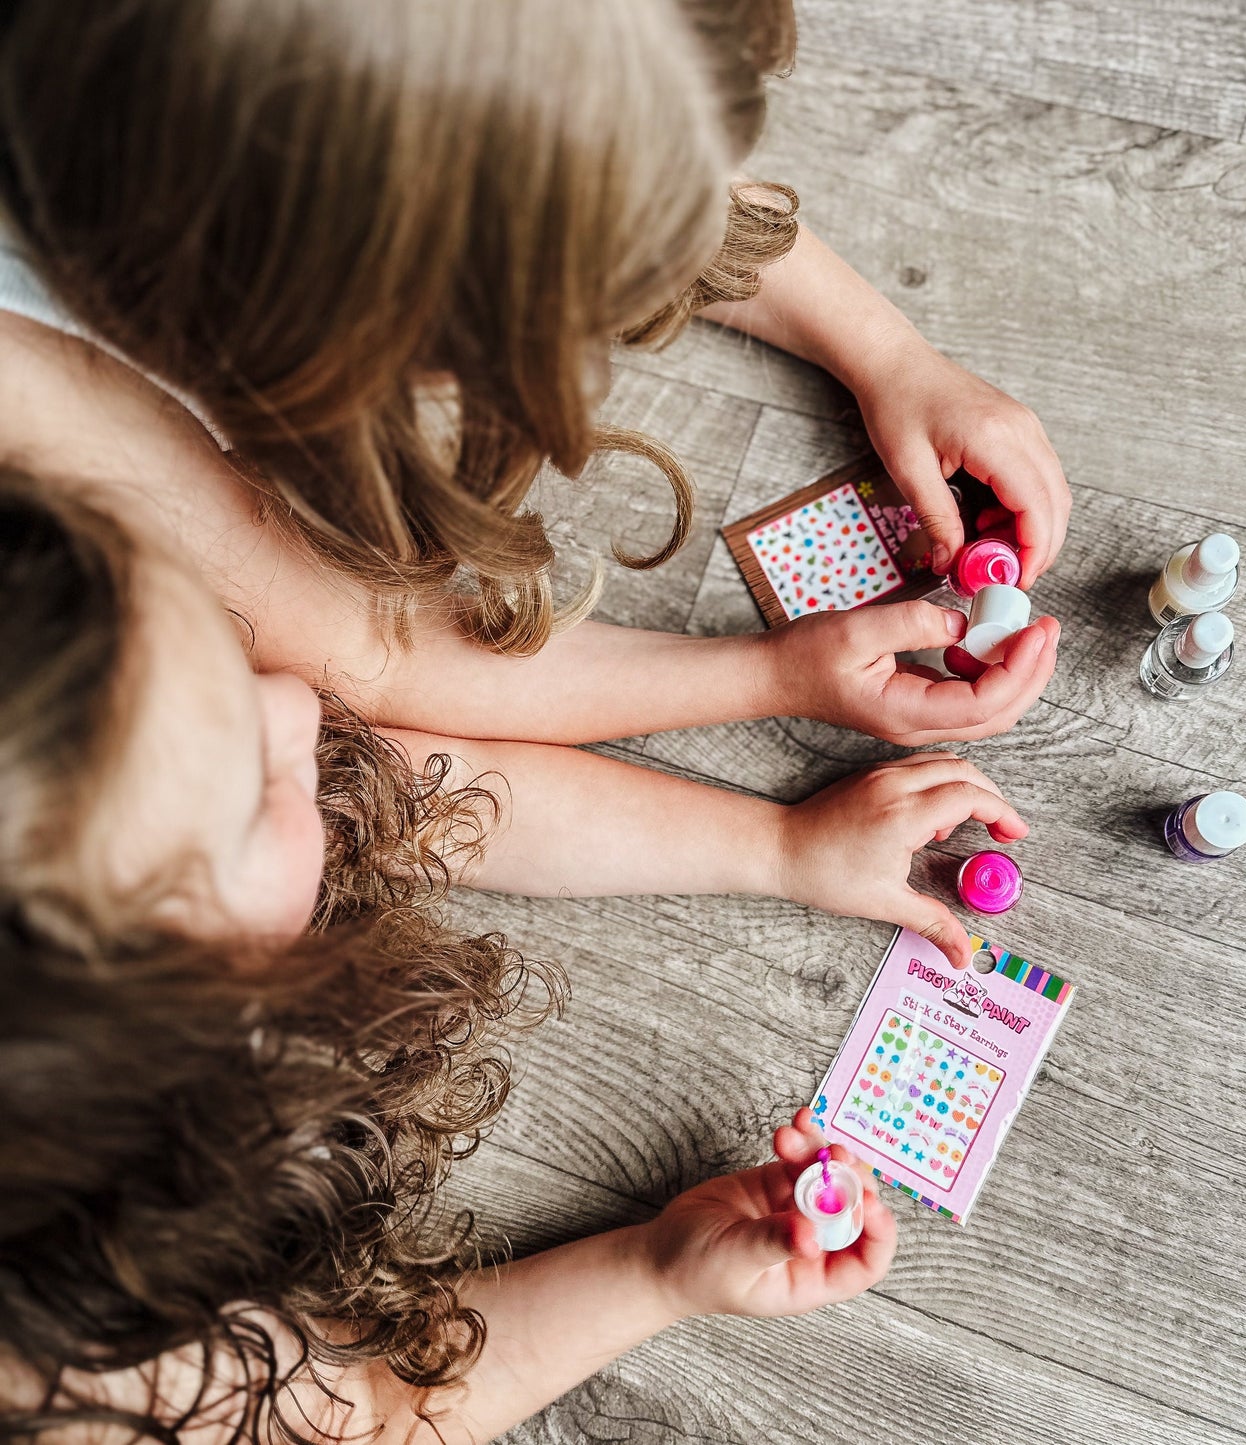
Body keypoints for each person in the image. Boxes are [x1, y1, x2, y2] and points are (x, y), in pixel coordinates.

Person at [0, 472, 1040, 1438]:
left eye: (228, 664)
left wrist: (780, 844)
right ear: (166, 1003)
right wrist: (650, 1277)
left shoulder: (88, 824)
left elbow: (451, 794)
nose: (296, 700)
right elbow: (365, 1409)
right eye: (246, 784)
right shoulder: (85, 1369)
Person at [0, 0, 1066, 761]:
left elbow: (591, 147)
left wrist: (890, 355)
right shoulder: (38, 389)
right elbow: (368, 657)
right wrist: (770, 679)